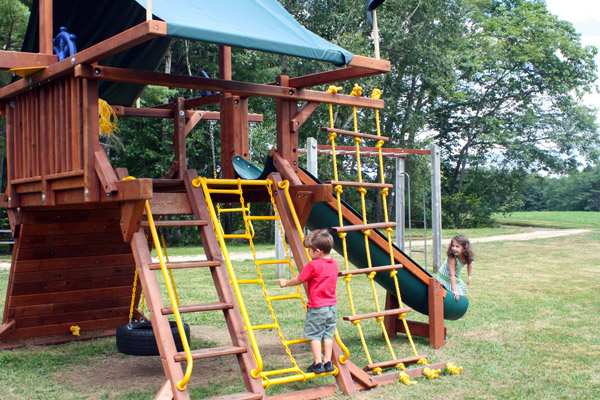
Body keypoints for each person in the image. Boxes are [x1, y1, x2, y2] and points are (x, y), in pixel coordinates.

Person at [276, 229, 338, 374]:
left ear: (317, 251)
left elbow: (299, 279)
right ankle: (328, 361)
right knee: (328, 335)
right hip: (331, 307)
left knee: (315, 335)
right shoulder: (334, 263)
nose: (308, 252)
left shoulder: (313, 265)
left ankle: (318, 363)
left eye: (309, 250)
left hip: (317, 307)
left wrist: (285, 282)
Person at [436, 235, 474, 301]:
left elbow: (469, 264)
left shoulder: (467, 256)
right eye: (453, 246)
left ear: (464, 248)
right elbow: (451, 275)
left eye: (457, 246)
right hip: (444, 278)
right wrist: (455, 291)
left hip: (455, 277)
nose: (454, 248)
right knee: (449, 296)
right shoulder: (452, 258)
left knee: (459, 295)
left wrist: (469, 276)